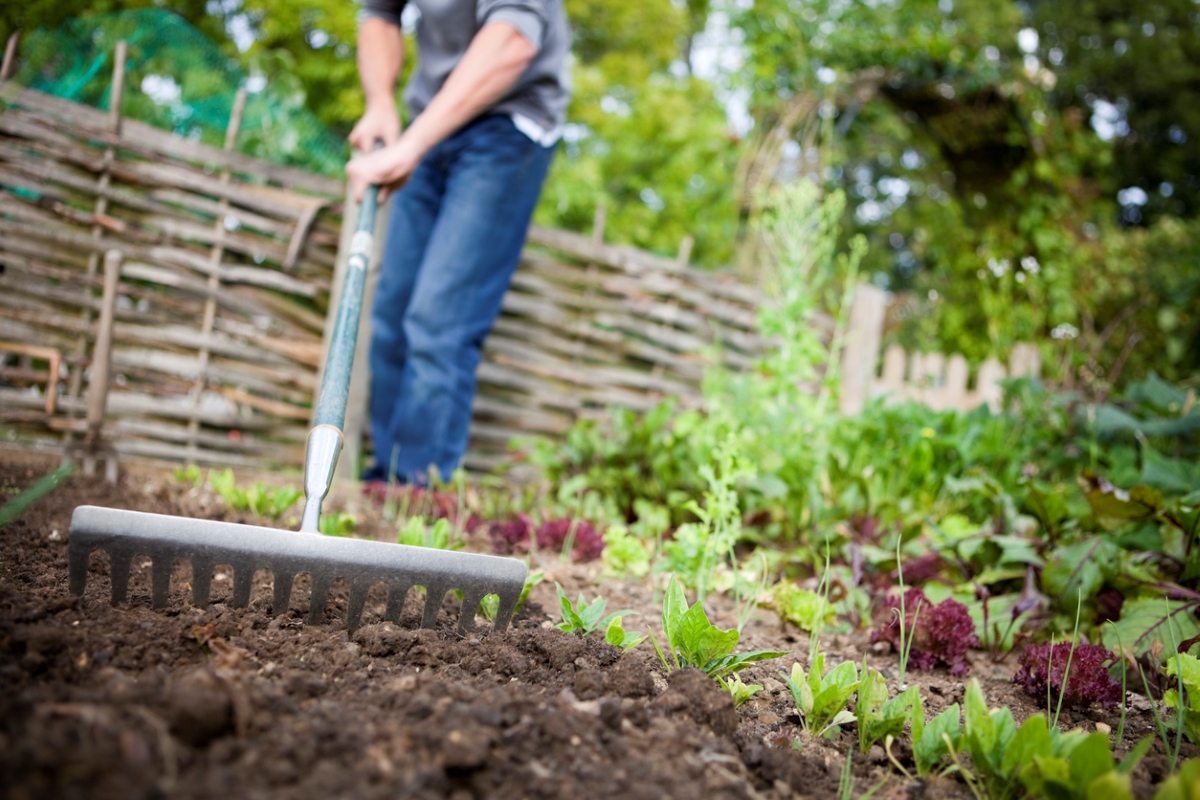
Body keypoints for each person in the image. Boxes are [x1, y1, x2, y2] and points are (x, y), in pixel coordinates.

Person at [345, 0, 569, 484]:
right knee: (391, 314)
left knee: (439, 319)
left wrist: (410, 146)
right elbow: (379, 14)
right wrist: (380, 101)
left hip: (508, 119)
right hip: (431, 118)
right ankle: (387, 483)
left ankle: (419, 496)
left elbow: (513, 38)